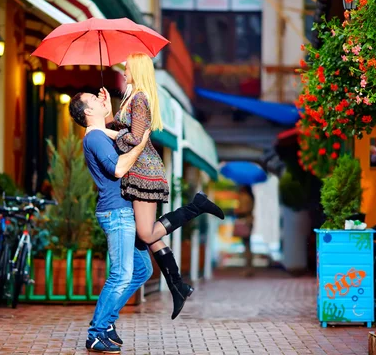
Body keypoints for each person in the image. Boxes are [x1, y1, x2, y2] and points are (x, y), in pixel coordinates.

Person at [97, 52, 225, 319]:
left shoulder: (141, 98)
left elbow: (134, 137)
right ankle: (177, 285)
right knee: (149, 237)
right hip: (137, 173)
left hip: (145, 172)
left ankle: (196, 206)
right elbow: (125, 133)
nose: (123, 70)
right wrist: (109, 115)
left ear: (138, 69)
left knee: (145, 234)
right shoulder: (132, 97)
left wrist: (106, 131)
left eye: (127, 66)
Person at [69, 91, 153, 353]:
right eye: (94, 100)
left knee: (142, 270)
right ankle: (96, 332)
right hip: (116, 213)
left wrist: (108, 108)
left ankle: (105, 324)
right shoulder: (94, 137)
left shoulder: (100, 134)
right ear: (87, 113)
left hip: (123, 211)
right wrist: (141, 144)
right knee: (121, 274)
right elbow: (117, 169)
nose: (98, 98)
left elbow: (118, 137)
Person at [235, 185, 255, 277]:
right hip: (249, 221)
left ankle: (248, 269)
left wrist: (237, 211)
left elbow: (243, 210)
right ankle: (249, 268)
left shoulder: (244, 197)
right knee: (247, 245)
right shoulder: (250, 197)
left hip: (245, 222)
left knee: (246, 245)